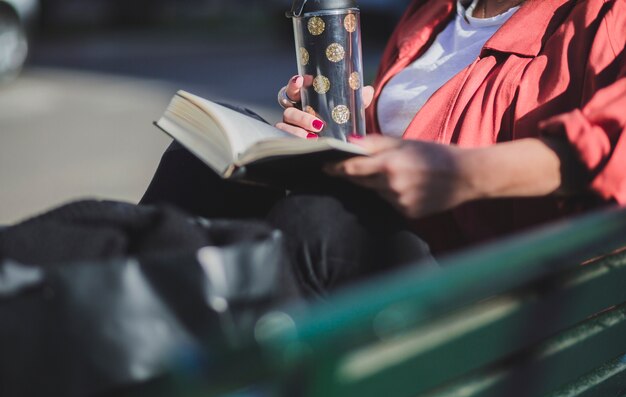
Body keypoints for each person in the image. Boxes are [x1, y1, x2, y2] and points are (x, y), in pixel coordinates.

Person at [142, 0, 626, 297]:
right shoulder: (434, 10)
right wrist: (323, 133)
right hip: (394, 236)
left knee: (317, 224)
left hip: (496, 290)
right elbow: (402, 131)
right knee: (200, 164)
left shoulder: (606, 14)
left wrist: (461, 174)